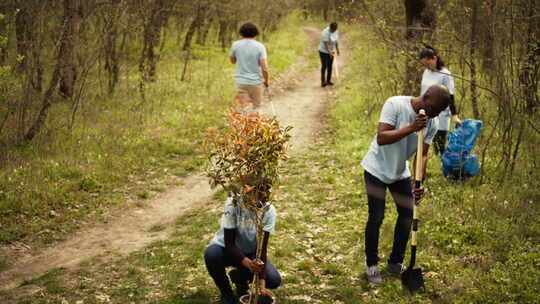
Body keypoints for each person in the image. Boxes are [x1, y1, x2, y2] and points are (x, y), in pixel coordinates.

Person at [360, 84, 451, 285]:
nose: (434, 114)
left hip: (400, 172)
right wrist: (412, 127)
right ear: (425, 97)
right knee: (376, 216)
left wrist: (418, 182)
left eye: (438, 112)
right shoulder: (395, 104)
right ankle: (372, 265)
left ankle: (395, 263)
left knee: (407, 214)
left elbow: (423, 154)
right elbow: (382, 137)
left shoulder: (432, 122)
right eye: (432, 109)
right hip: (376, 169)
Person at [204, 189, 281, 304]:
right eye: (251, 194)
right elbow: (230, 245)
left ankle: (239, 277)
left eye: (260, 195)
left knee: (273, 280)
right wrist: (249, 264)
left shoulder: (268, 211)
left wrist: (262, 284)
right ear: (245, 192)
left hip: (251, 253)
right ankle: (227, 295)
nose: (255, 200)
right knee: (211, 254)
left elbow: (262, 250)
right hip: (225, 249)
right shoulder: (233, 204)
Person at [419, 46, 462, 154]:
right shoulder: (426, 72)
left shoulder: (445, 74)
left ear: (434, 58)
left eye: (428, 64)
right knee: (425, 141)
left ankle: (443, 164)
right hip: (426, 111)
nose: (427, 67)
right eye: (424, 65)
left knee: (439, 143)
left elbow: (450, 95)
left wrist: (454, 115)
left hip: (441, 113)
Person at [230, 22, 269, 110]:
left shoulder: (235, 45)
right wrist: (266, 81)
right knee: (257, 109)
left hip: (241, 82)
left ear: (241, 32)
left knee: (244, 109)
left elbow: (232, 61)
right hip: (256, 82)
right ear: (255, 33)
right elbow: (265, 68)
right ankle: (256, 123)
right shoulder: (260, 46)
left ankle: (244, 123)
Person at [319, 22, 340, 87]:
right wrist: (329, 52)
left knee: (330, 66)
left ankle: (328, 81)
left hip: (332, 50)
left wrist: (337, 49)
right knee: (324, 66)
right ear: (330, 28)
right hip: (323, 51)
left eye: (335, 29)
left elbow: (336, 40)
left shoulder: (336, 31)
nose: (335, 30)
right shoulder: (325, 32)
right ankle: (323, 82)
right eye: (333, 29)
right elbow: (326, 44)